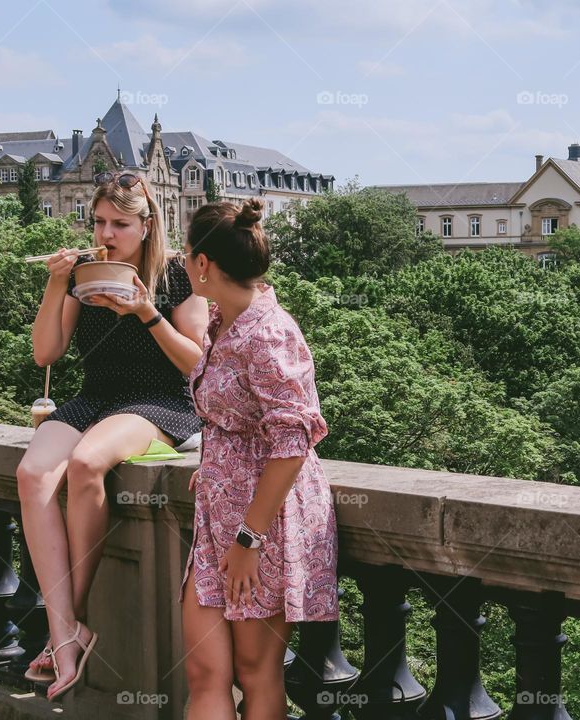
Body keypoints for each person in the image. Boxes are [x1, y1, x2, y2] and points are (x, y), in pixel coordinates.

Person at [16, 172, 207, 701]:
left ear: (147, 225)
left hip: (158, 402)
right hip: (96, 396)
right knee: (32, 474)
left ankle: (67, 625)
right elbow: (46, 354)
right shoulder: (85, 271)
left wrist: (146, 312)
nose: (105, 233)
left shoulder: (178, 276)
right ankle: (66, 632)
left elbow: (197, 361)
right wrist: (57, 283)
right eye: (99, 221)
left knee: (85, 462)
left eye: (119, 224)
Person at [178, 198, 338, 720]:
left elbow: (293, 443)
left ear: (203, 264)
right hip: (219, 513)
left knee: (255, 670)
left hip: (264, 520)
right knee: (204, 670)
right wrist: (217, 465)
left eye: (185, 254)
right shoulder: (223, 319)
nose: (183, 263)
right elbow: (234, 415)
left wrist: (251, 538)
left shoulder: (269, 332)